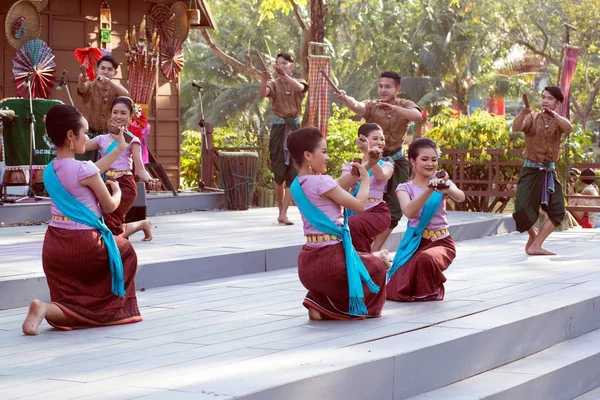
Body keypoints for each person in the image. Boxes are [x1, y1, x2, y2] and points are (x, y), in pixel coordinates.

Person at [22, 105, 142, 335]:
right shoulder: (83, 169)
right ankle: (105, 311)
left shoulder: (49, 170)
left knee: (70, 301)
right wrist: (116, 191)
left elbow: (91, 171)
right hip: (85, 245)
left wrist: (119, 149)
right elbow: (108, 205)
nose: (87, 138)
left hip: (54, 247)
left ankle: (44, 309)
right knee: (125, 250)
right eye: (85, 132)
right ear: (70, 136)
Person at [287, 127, 388, 320]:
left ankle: (319, 301)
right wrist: (365, 180)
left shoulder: (297, 185)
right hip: (330, 263)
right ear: (308, 155)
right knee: (376, 267)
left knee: (362, 262)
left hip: (308, 265)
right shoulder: (322, 182)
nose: (327, 157)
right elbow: (359, 205)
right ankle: (330, 307)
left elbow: (338, 184)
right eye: (324, 152)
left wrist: (368, 164)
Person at [335, 71, 423, 251]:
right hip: (372, 158)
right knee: (364, 205)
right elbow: (358, 106)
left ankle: (375, 250)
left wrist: (395, 109)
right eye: (380, 86)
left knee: (396, 209)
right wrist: (345, 99)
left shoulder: (404, 104)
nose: (383, 90)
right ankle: (364, 250)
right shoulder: (372, 105)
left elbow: (417, 116)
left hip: (396, 161)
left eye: (388, 86)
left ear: (397, 88)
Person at [386, 138, 465, 302]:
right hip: (416, 242)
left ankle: (432, 290)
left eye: (434, 159)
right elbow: (408, 211)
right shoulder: (404, 188)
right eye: (425, 159)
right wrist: (430, 189)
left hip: (441, 241)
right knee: (395, 288)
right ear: (412, 161)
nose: (430, 163)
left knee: (425, 259)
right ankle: (423, 289)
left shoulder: (444, 184)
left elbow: (461, 197)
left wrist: (446, 187)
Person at [84, 96, 159, 240]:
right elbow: (80, 147)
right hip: (104, 183)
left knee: (111, 226)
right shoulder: (101, 139)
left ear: (130, 117)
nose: (118, 116)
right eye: (115, 112)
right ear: (110, 114)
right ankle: (143, 224)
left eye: (123, 113)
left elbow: (140, 170)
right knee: (105, 223)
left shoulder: (132, 140)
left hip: (124, 184)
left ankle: (138, 228)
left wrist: (150, 179)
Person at [512, 86, 573, 255]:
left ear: (558, 103)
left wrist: (554, 115)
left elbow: (568, 128)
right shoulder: (532, 117)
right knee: (521, 209)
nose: (545, 101)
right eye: (543, 97)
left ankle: (536, 245)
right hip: (531, 170)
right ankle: (533, 235)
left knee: (558, 210)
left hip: (549, 173)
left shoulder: (558, 120)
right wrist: (523, 113)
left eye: (550, 98)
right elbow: (516, 128)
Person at [259, 53, 309, 226]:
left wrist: (285, 76)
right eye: (278, 63)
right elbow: (262, 93)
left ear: (292, 65)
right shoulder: (273, 84)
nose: (281, 66)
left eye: (285, 63)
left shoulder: (299, 81)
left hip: (295, 129)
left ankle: (284, 212)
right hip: (279, 129)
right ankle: (280, 210)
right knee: (279, 171)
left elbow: (301, 89)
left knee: (293, 172)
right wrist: (264, 80)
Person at [338, 123, 394, 253]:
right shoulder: (350, 166)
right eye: (375, 138)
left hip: (377, 211)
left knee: (352, 225)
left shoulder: (386, 164)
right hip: (355, 211)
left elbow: (381, 176)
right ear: (362, 139)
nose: (380, 142)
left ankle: (372, 260)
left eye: (382, 139)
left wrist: (368, 153)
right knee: (357, 246)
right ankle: (376, 259)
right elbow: (343, 185)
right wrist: (368, 154)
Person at [77, 54, 129, 161]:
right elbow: (82, 88)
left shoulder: (115, 90)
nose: (105, 72)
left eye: (110, 69)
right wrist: (82, 81)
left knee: (107, 169)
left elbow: (126, 95)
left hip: (108, 136)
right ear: (97, 70)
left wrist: (108, 82)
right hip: (88, 136)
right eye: (103, 68)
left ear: (115, 73)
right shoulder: (90, 86)